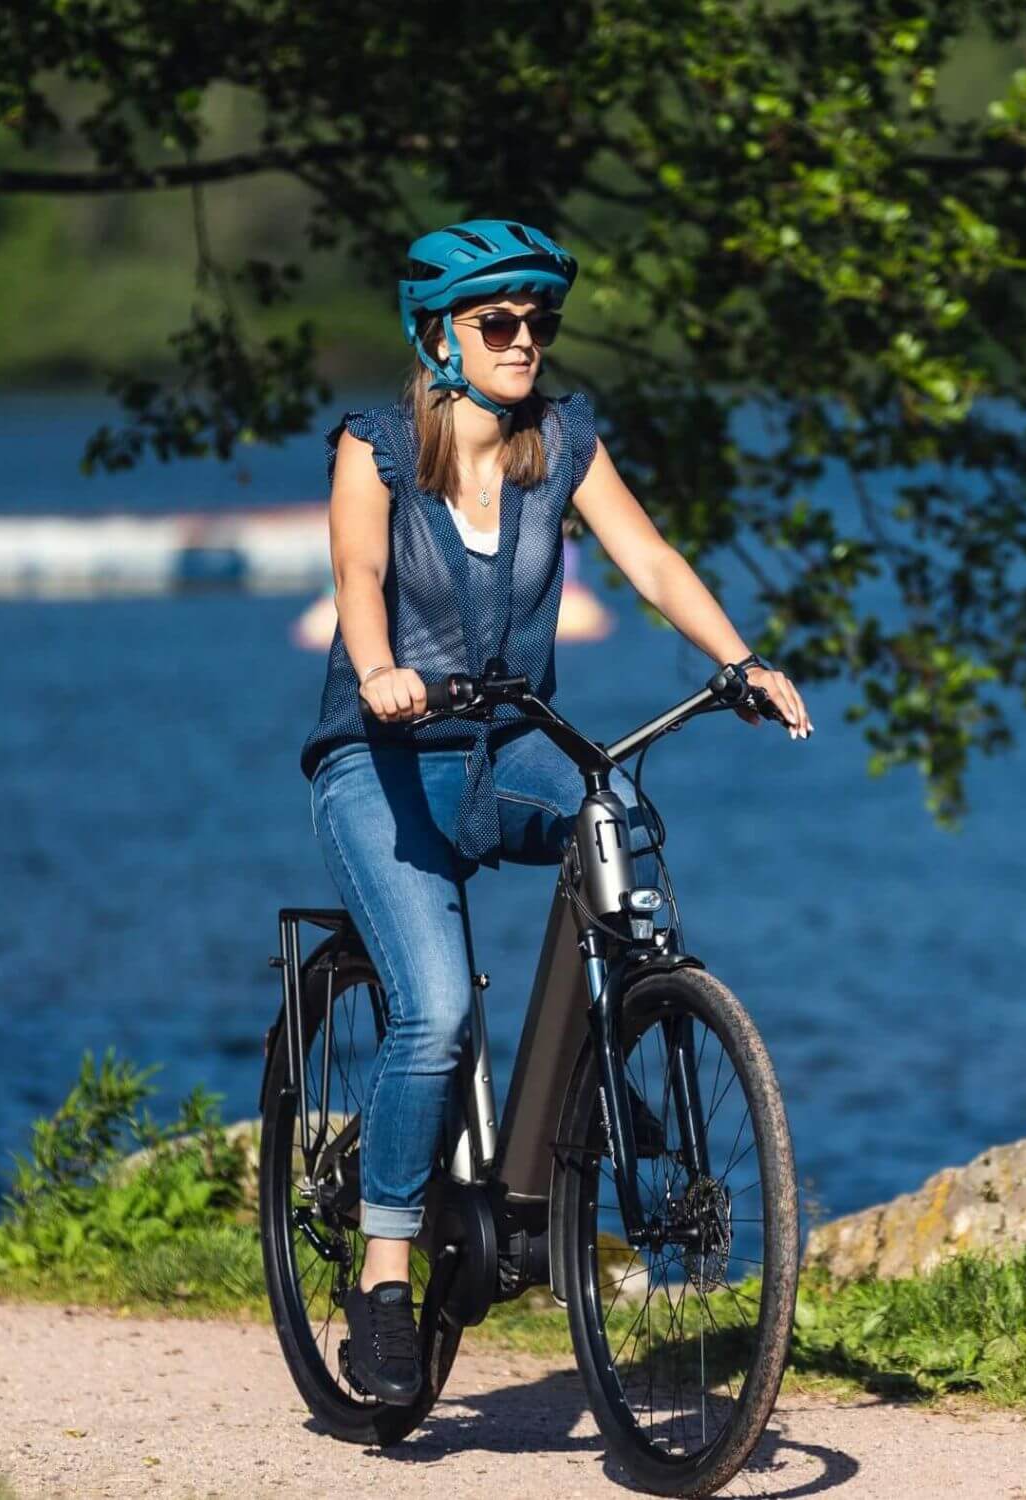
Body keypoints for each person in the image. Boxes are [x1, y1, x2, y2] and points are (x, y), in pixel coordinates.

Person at [299, 218, 813, 1404]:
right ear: (440, 339)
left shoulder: (562, 445)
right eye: (498, 324)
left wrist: (740, 663)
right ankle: (384, 1282)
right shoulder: (373, 448)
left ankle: (614, 1031)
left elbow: (652, 559)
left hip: (505, 748)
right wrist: (379, 669)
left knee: (614, 808)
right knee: (429, 1013)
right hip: (380, 763)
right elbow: (359, 579)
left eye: (539, 322)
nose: (524, 341)